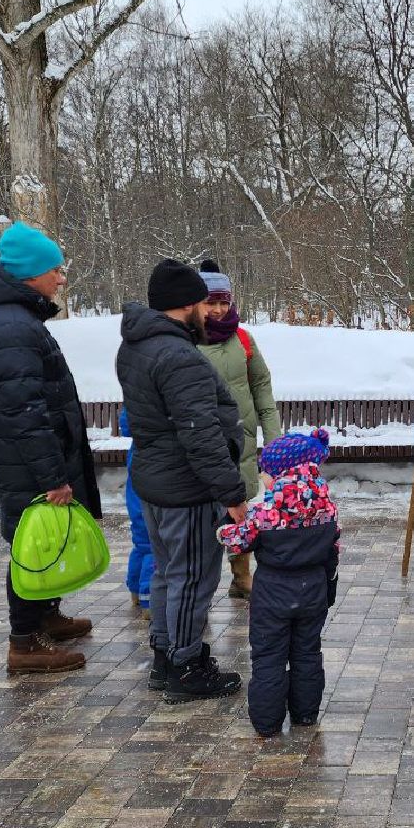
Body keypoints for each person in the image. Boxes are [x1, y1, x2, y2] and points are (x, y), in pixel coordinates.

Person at [0, 221, 101, 675]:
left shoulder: (13, 317)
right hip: (29, 459)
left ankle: (45, 616)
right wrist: (52, 476)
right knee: (33, 543)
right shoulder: (8, 325)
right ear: (31, 273)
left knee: (44, 537)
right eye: (56, 269)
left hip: (29, 453)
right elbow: (24, 408)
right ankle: (24, 642)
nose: (61, 278)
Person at [116, 259, 250, 703]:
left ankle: (165, 656)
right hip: (186, 487)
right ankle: (186, 666)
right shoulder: (177, 356)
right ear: (186, 304)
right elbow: (201, 434)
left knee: (168, 572)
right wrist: (231, 492)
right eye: (201, 303)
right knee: (192, 578)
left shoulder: (137, 345)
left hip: (154, 480)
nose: (209, 312)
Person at [219, 429, 340, 737]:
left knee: (269, 657)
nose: (264, 479)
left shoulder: (265, 512)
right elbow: (333, 549)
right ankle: (305, 714)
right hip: (312, 589)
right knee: (307, 653)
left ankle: (267, 722)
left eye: (267, 474)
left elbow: (239, 541)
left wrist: (223, 529)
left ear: (282, 474)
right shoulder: (326, 507)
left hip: (272, 593)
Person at [196, 260, 281, 599]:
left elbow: (261, 385)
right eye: (210, 302)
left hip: (242, 441)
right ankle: (196, 584)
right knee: (204, 515)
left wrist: (273, 439)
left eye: (223, 302)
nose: (217, 310)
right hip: (204, 440)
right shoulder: (186, 340)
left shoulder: (243, 338)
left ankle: (241, 577)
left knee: (240, 510)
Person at [118, 409, 154, 612]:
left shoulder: (136, 390)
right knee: (154, 542)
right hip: (154, 469)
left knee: (141, 539)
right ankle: (149, 599)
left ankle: (135, 590)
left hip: (138, 467)